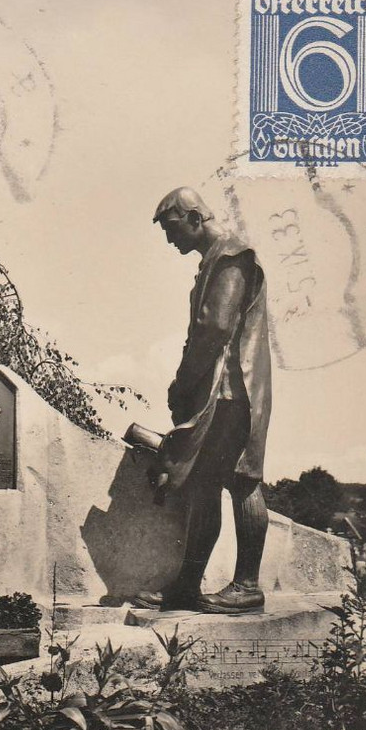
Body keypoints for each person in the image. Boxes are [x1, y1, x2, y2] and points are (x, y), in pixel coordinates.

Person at [134, 186, 272, 614]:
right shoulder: (215, 259)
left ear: (194, 218)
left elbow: (214, 329)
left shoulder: (232, 255)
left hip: (233, 388)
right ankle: (188, 586)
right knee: (203, 484)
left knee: (241, 478)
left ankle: (247, 586)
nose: (170, 240)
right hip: (220, 388)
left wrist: (183, 381)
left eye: (172, 229)